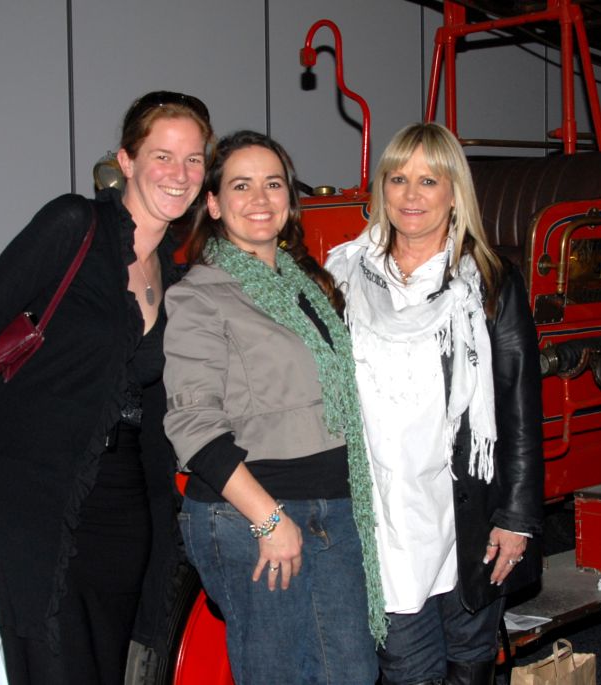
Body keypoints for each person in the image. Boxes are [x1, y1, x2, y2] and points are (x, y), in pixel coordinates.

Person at [0, 90, 214, 684]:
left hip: (125, 508)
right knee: (48, 659)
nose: (179, 174)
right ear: (126, 161)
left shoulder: (174, 272)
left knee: (102, 664)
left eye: (193, 160)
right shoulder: (75, 224)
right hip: (36, 493)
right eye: (162, 156)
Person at [324, 122, 544, 685]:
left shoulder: (489, 282)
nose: (411, 195)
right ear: (381, 188)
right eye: (398, 178)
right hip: (381, 509)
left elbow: (519, 409)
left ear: (454, 192)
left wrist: (516, 518)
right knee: (406, 666)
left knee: (469, 657)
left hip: (462, 510)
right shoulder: (342, 276)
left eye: (429, 180)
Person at [162, 130, 385, 685]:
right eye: (241, 186)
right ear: (214, 204)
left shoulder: (305, 285)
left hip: (335, 509)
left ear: (290, 199)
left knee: (353, 674)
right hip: (255, 514)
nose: (260, 199)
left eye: (273, 184)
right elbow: (192, 423)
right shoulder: (199, 295)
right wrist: (268, 519)